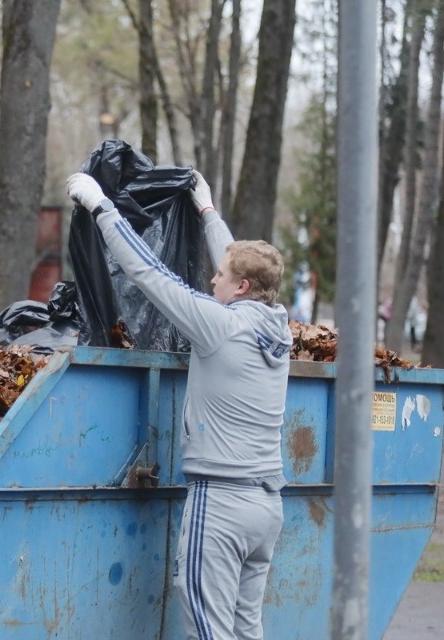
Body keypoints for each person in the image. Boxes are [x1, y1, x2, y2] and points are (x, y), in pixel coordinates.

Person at [67, 169, 291, 640]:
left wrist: (102, 207)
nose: (212, 279)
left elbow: (149, 273)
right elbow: (237, 263)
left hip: (222, 503)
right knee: (245, 630)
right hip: (266, 505)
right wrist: (207, 211)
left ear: (241, 288)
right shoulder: (276, 327)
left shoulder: (220, 326)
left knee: (209, 632)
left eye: (220, 276)